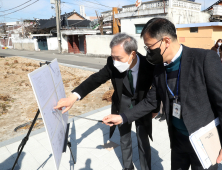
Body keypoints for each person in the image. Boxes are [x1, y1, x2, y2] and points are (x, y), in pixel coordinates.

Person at [103, 18, 222, 170]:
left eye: (150, 47)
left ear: (166, 41)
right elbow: (151, 101)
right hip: (178, 140)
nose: (148, 52)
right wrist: (122, 117)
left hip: (205, 140)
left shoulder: (204, 59)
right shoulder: (159, 69)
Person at [54, 33, 158, 170]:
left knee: (143, 140)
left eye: (118, 58)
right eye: (112, 57)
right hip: (123, 104)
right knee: (124, 138)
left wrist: (155, 110)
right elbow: (96, 79)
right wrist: (73, 97)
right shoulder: (112, 63)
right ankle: (128, 167)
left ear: (132, 54)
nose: (114, 61)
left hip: (142, 105)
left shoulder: (149, 64)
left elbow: (158, 89)